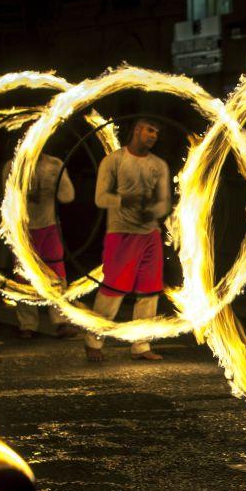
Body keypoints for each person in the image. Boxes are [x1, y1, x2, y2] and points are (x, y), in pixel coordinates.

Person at [84, 118, 170, 362]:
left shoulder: (159, 165)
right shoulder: (113, 160)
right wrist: (125, 201)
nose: (153, 135)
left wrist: (153, 212)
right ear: (136, 129)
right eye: (150, 129)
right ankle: (93, 341)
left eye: (156, 132)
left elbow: (164, 201)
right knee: (113, 289)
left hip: (150, 234)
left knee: (150, 291)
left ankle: (141, 345)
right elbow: (100, 198)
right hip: (121, 232)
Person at [1, 152, 77, 339]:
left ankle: (61, 321)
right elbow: (7, 196)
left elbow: (68, 196)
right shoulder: (13, 164)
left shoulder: (54, 164)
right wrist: (27, 192)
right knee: (24, 277)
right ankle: (27, 324)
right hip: (23, 229)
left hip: (49, 227)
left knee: (56, 276)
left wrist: (52, 188)